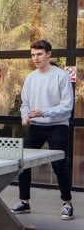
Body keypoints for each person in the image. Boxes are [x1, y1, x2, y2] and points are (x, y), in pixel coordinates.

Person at [10, 39, 74, 220]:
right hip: (37, 126)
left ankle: (67, 203)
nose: (35, 58)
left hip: (58, 126)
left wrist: (44, 112)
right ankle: (24, 201)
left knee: (59, 165)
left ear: (49, 54)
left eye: (39, 54)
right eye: (32, 55)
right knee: (23, 162)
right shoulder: (31, 77)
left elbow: (67, 106)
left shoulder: (61, 76)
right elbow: (25, 103)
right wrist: (24, 115)